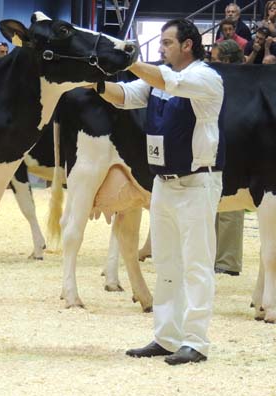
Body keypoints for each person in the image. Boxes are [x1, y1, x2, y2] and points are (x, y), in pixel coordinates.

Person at [91, 19, 224, 365]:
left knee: (196, 264)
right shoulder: (158, 80)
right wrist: (96, 82)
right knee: (166, 262)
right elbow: (125, 97)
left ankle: (196, 341)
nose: (161, 48)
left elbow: (169, 82)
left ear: (188, 45)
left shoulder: (205, 78)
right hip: (163, 183)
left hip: (197, 182)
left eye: (167, 43)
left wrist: (129, 59)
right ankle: (166, 337)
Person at [209, 39, 245, 277]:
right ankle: (213, 257)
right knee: (213, 202)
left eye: (215, 60)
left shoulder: (241, 82)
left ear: (228, 61)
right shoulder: (218, 82)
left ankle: (228, 261)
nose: (211, 63)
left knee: (232, 204)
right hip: (216, 145)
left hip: (237, 146)